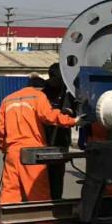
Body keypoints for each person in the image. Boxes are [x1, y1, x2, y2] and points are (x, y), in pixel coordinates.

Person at [0, 73, 78, 224]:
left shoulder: (7, 100)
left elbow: (1, 131)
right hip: (31, 153)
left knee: (9, 193)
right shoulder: (38, 97)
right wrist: (73, 120)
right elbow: (50, 116)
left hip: (12, 152)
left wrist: (5, 149)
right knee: (40, 196)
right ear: (41, 88)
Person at [43, 63, 76, 200]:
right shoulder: (43, 93)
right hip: (43, 141)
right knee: (43, 174)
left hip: (60, 141)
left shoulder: (68, 93)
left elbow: (73, 114)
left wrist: (69, 113)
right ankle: (44, 200)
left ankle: (56, 200)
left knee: (57, 174)